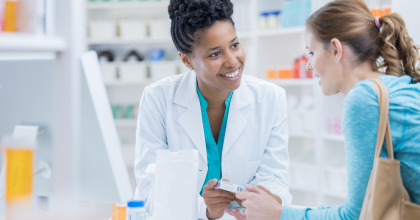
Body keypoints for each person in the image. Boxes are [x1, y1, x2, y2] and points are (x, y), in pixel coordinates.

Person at [226, 0, 420, 219]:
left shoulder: (364, 98)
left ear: (336, 49)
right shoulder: (398, 85)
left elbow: (355, 215)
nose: (308, 65)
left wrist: (278, 214)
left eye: (311, 52)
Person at [133, 0, 292, 219]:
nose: (232, 61)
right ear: (187, 60)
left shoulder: (271, 98)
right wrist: (207, 210)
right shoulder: (158, 99)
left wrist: (265, 195)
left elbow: (276, 179)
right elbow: (150, 192)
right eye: (215, 54)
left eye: (234, 45)